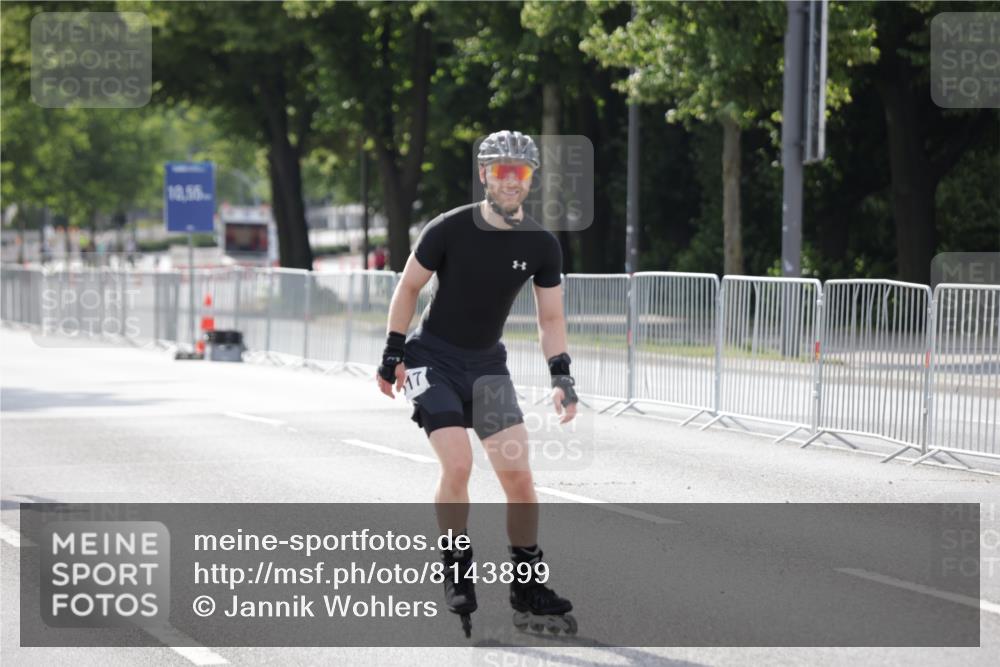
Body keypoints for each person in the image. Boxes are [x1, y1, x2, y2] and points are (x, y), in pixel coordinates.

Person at [375, 130, 579, 637]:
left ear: (531, 180)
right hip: (432, 360)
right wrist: (392, 353)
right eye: (502, 170)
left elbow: (550, 319)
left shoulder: (540, 244)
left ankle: (527, 585)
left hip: (487, 365)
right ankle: (456, 569)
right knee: (459, 462)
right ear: (485, 174)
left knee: (519, 478)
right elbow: (409, 287)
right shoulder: (449, 228)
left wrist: (561, 375)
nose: (512, 180)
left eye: (522, 172)